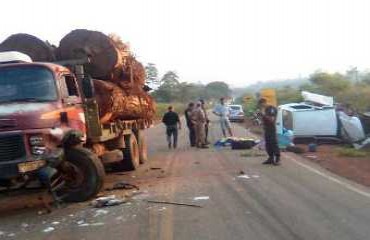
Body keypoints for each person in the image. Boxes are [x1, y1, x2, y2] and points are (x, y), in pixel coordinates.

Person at [258, 98, 280, 165]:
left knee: (273, 143)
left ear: (264, 103)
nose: (261, 107)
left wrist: (263, 114)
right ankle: (270, 158)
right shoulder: (265, 109)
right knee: (268, 144)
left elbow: (271, 120)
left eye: (261, 105)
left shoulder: (271, 108)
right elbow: (264, 119)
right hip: (266, 128)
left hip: (271, 128)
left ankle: (277, 158)